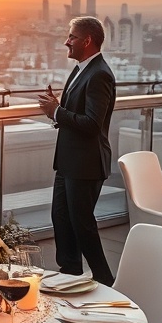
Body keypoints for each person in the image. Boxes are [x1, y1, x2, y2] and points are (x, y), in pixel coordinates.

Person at [37, 16, 116, 286]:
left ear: (87, 41)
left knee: (82, 225)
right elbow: (77, 112)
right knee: (61, 219)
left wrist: (56, 112)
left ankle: (105, 279)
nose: (66, 42)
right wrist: (57, 107)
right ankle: (69, 273)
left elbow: (92, 124)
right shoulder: (81, 69)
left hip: (86, 163)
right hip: (69, 161)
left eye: (71, 37)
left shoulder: (99, 74)